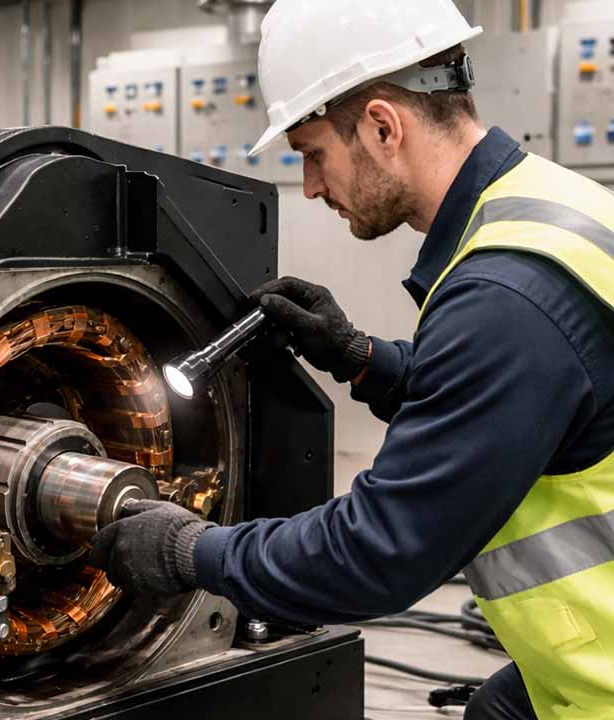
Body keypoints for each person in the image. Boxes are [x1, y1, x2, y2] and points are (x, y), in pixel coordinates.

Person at [89, 1, 614, 719]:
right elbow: (528, 412)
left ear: (381, 125)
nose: (308, 187)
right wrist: (364, 360)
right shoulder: (548, 208)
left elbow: (379, 553)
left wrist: (190, 551)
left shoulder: (505, 296)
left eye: (312, 155)